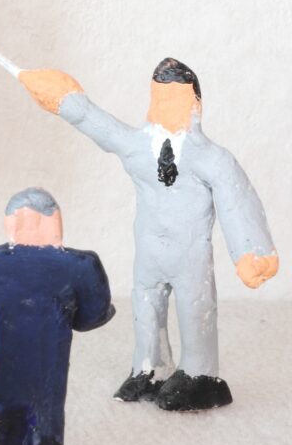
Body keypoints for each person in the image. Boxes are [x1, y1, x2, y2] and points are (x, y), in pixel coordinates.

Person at [19, 57, 278, 410]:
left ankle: (199, 374)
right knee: (145, 302)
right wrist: (64, 99)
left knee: (194, 306)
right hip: (149, 250)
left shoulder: (212, 158)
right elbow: (97, 124)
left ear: (196, 104)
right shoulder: (137, 145)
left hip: (190, 252)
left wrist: (252, 252)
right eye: (159, 98)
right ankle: (149, 366)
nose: (164, 107)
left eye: (174, 99)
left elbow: (238, 201)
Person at [0, 188, 114, 445]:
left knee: (4, 412)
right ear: (51, 222)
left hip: (1, 361)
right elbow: (92, 317)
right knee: (46, 415)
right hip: (48, 364)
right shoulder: (80, 265)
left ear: (12, 225)